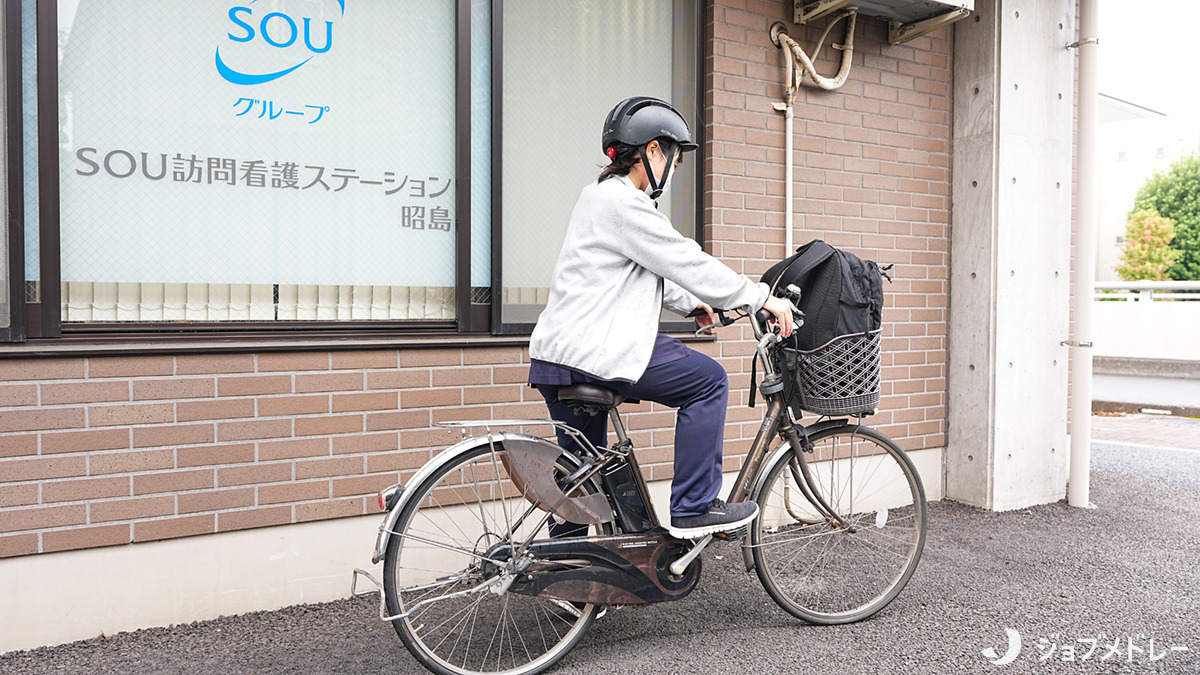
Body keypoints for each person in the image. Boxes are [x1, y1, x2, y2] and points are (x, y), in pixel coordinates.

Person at [528, 96, 795, 539]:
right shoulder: (626, 204)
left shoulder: (595, 198)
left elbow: (636, 271)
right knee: (708, 381)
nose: (673, 172)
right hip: (597, 350)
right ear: (653, 150)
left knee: (581, 476)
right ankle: (694, 506)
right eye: (674, 160)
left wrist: (693, 304)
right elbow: (684, 259)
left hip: (556, 359)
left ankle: (563, 569)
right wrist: (760, 297)